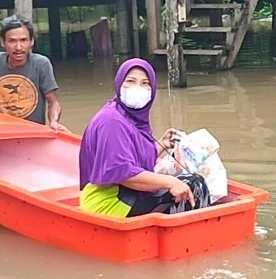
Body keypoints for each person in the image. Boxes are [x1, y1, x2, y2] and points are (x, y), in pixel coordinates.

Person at [78, 58, 210, 217]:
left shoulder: (130, 118)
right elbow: (123, 173)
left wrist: (161, 144)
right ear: (119, 84)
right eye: (131, 81)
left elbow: (131, 158)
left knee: (191, 182)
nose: (137, 88)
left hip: (126, 193)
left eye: (145, 83)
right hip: (108, 201)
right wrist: (171, 182)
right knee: (195, 186)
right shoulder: (112, 121)